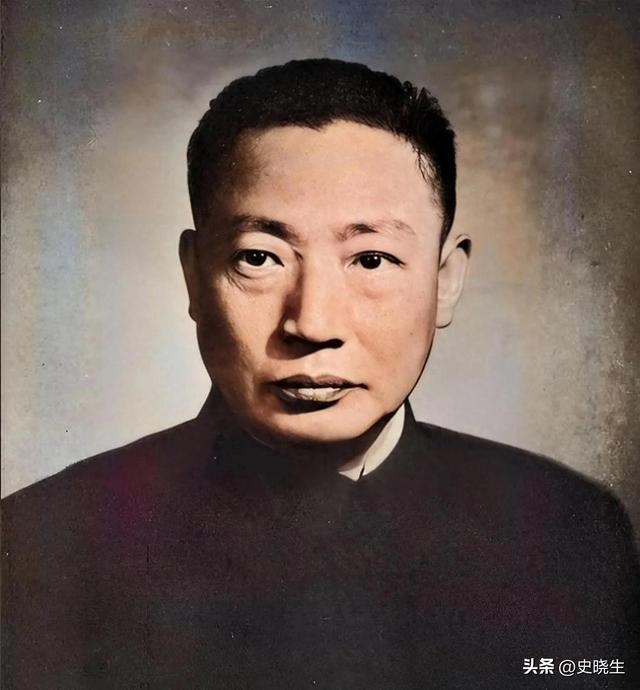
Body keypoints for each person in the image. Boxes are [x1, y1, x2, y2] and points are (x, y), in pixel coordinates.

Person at [2, 58, 638, 688]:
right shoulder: (39, 547)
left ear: (445, 281)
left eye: (371, 259)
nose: (312, 323)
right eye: (260, 258)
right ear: (194, 276)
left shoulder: (568, 529)